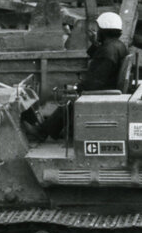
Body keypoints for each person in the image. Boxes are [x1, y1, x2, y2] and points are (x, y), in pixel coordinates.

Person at [27, 11, 129, 142]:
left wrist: (76, 88)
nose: (96, 31)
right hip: (109, 86)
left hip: (104, 91)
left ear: (104, 30)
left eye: (98, 29)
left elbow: (94, 83)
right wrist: (95, 42)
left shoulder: (107, 51)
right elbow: (97, 58)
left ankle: (42, 132)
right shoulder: (116, 46)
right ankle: (51, 130)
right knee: (72, 96)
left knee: (70, 99)